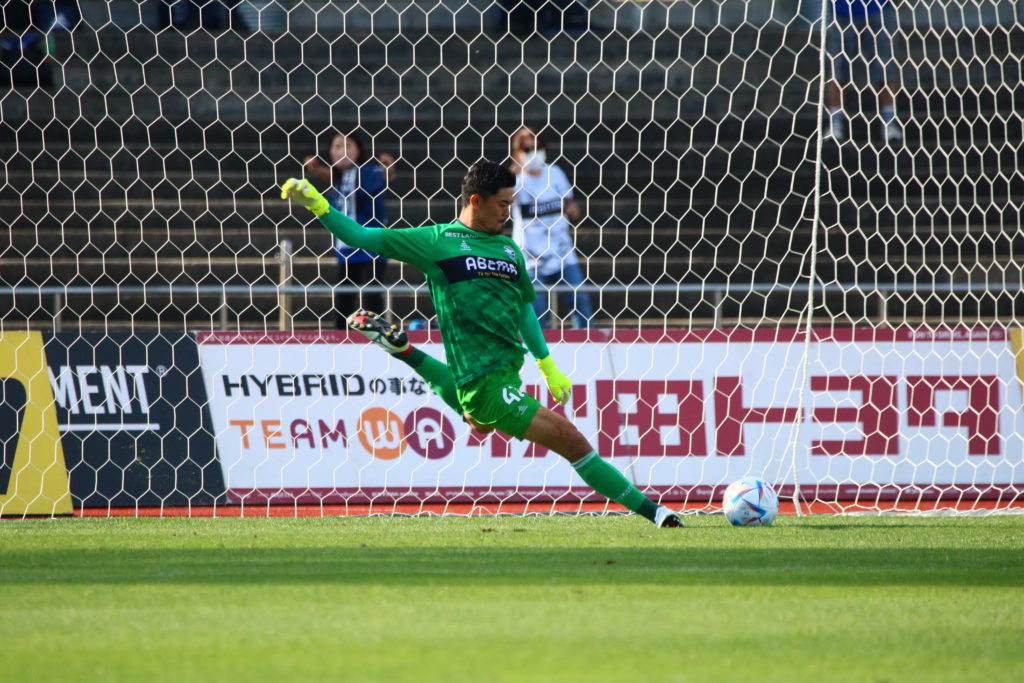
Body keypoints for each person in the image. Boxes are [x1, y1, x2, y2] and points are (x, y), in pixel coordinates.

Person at [280, 163, 682, 528]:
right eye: (503, 204)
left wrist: (547, 365)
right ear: (477, 201)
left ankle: (406, 352)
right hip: (483, 381)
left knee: (480, 424)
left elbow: (524, 309)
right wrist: (319, 205)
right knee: (570, 439)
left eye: (511, 204)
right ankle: (657, 513)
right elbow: (360, 236)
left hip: (506, 372)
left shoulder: (509, 250)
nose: (508, 213)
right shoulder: (437, 241)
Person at [303, 130, 395, 329]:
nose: (342, 151)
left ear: (359, 151)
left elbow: (385, 176)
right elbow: (334, 179)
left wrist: (389, 168)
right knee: (344, 297)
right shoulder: (340, 177)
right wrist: (316, 169)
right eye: (337, 146)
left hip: (371, 246)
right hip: (346, 247)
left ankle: (379, 336)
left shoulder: (366, 171)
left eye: (347, 146)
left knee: (372, 295)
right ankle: (341, 337)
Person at [509, 127, 594, 329]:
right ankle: (540, 347)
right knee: (536, 309)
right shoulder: (514, 181)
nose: (534, 153)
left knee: (580, 300)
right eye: (527, 149)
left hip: (562, 252)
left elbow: (572, 207)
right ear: (518, 153)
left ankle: (589, 341)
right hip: (530, 257)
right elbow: (503, 204)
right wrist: (511, 179)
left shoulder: (555, 174)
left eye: (537, 147)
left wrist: (571, 209)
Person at [824, 0, 902, 144]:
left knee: (885, 67)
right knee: (838, 68)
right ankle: (835, 123)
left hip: (880, 8)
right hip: (841, 10)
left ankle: (889, 121)